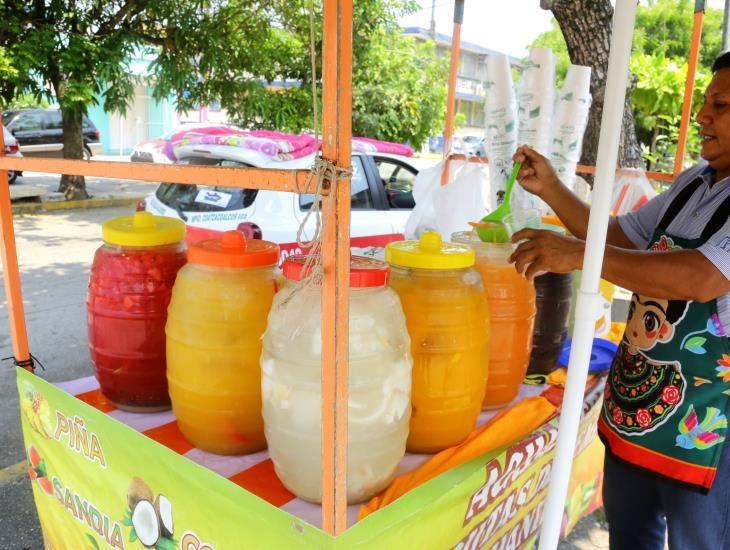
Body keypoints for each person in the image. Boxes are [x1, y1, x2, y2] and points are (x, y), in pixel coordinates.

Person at [509, 52, 730, 550]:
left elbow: (701, 278)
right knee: (631, 535)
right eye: (704, 103)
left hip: (708, 424)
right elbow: (618, 237)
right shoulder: (694, 182)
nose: (701, 116)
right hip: (638, 409)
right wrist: (551, 190)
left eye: (720, 104)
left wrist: (576, 256)